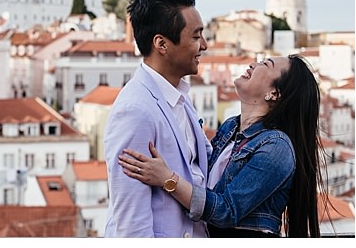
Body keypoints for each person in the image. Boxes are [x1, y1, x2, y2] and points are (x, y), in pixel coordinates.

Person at [118, 54, 325, 237]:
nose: (253, 64)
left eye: (265, 64)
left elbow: (226, 210)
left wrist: (167, 179)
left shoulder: (276, 147)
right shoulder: (230, 128)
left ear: (275, 93)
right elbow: (200, 175)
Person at [103, 0, 210, 237]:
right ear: (161, 44)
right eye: (195, 37)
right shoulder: (135, 110)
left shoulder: (180, 96)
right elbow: (131, 224)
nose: (204, 45)